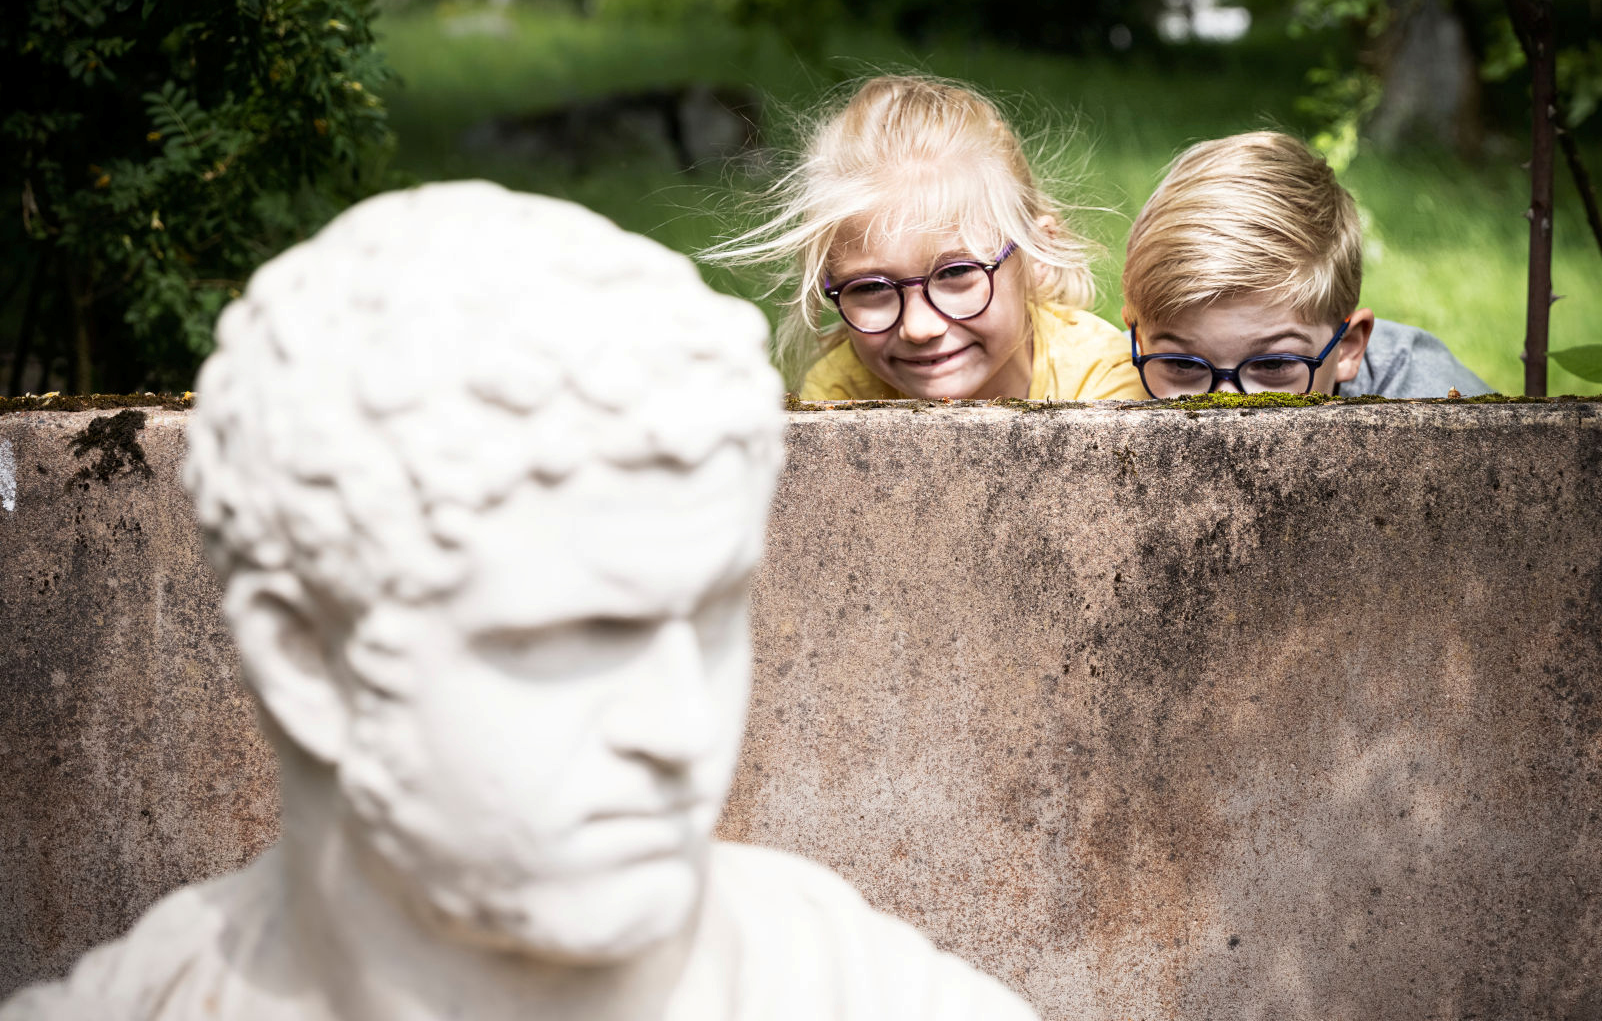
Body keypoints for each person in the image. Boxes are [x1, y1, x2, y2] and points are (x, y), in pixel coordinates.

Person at [0, 181, 1036, 1021]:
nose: (686, 731)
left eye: (715, 619)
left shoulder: (850, 991)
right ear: (307, 658)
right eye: (576, 639)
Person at [711, 75, 1146, 402]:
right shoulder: (842, 390)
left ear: (1039, 254)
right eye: (869, 288)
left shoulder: (1104, 380)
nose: (919, 328)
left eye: (957, 272)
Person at [1122, 131, 1493, 400]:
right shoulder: (1109, 378)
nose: (1224, 406)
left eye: (1273, 365)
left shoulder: (1433, 405)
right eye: (1183, 365)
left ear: (1347, 346)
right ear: (1137, 340)